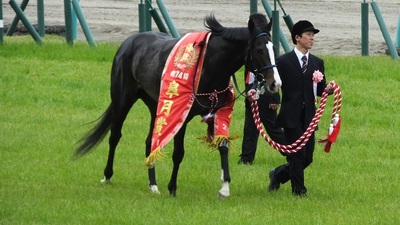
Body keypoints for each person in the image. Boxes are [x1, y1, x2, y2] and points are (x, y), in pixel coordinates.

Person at [265, 20, 335, 196]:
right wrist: (273, 99)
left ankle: (278, 174)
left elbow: (320, 90)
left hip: (309, 117)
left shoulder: (317, 63)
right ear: (297, 37)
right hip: (291, 115)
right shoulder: (283, 61)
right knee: (297, 155)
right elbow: (273, 83)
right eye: (308, 35)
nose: (312, 38)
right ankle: (299, 191)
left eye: (313, 35)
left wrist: (328, 90)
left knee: (307, 157)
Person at [238, 71, 286, 165]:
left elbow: (274, 77)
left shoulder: (265, 58)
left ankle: (291, 152)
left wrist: (274, 98)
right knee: (250, 129)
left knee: (273, 129)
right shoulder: (249, 59)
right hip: (251, 99)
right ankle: (246, 158)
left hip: (267, 99)